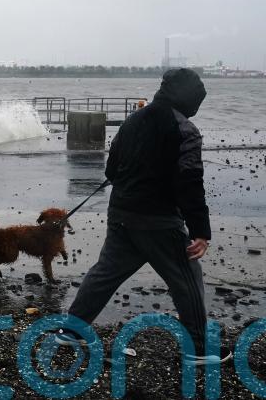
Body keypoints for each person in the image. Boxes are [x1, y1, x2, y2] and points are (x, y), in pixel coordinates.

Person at [56, 68, 232, 365]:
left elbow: (111, 170)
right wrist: (201, 230)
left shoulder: (132, 120)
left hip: (122, 213)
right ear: (189, 98)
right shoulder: (185, 130)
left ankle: (72, 330)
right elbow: (189, 182)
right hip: (159, 221)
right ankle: (199, 349)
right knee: (187, 277)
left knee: (105, 274)